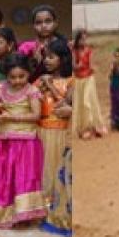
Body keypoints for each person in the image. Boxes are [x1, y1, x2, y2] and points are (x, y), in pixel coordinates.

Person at [0, 55, 44, 228]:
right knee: (4, 177)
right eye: (12, 77)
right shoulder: (1, 89)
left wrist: (11, 117)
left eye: (21, 76)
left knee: (23, 177)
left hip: (25, 142)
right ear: (6, 75)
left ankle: (24, 215)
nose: (17, 81)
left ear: (28, 74)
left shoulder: (32, 91)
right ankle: (2, 215)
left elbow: (36, 115)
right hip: (4, 140)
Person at [36, 41, 72, 202]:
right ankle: (42, 205)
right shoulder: (38, 82)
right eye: (45, 57)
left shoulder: (70, 81)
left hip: (60, 133)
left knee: (57, 168)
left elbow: (63, 103)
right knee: (42, 169)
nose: (46, 60)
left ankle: (56, 206)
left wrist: (50, 86)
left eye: (51, 57)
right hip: (42, 131)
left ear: (63, 59)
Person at [71, 30, 107, 139]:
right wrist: (79, 65)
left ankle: (95, 126)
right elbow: (74, 66)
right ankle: (83, 129)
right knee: (80, 104)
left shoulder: (88, 50)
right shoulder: (74, 51)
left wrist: (92, 67)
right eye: (82, 39)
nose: (84, 41)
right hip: (78, 80)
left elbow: (91, 64)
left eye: (85, 39)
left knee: (89, 101)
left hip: (89, 78)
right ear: (78, 39)